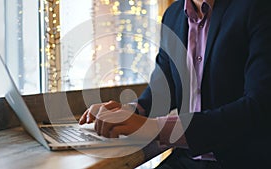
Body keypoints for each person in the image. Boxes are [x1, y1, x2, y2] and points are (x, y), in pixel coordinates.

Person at [79, 0, 271, 168]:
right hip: (187, 159)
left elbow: (259, 107)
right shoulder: (173, 15)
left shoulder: (258, 7)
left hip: (243, 160)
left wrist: (155, 128)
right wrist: (130, 111)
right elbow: (161, 90)